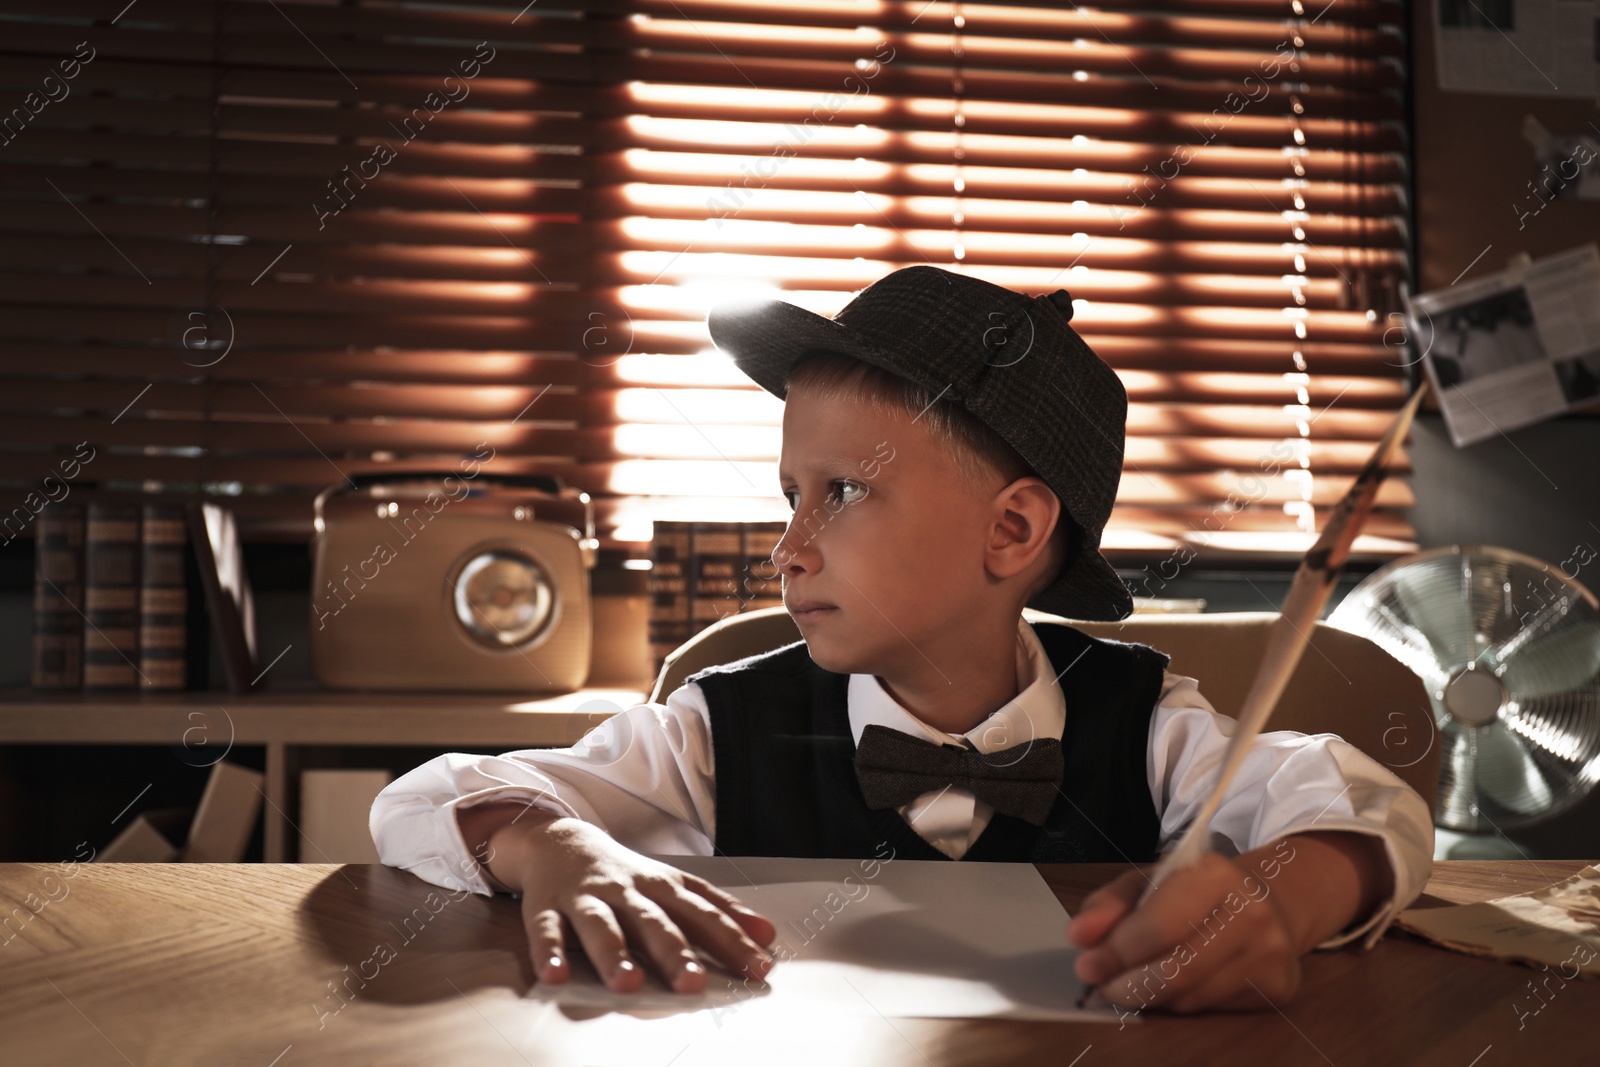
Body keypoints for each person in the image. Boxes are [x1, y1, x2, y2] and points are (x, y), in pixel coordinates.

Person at [370, 265, 1433, 1014]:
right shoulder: (713, 731)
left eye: (842, 492)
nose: (787, 548)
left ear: (1010, 529)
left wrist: (1284, 894)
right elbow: (421, 798)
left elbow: (1357, 797)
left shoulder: (1151, 726)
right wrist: (555, 845)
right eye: (789, 496)